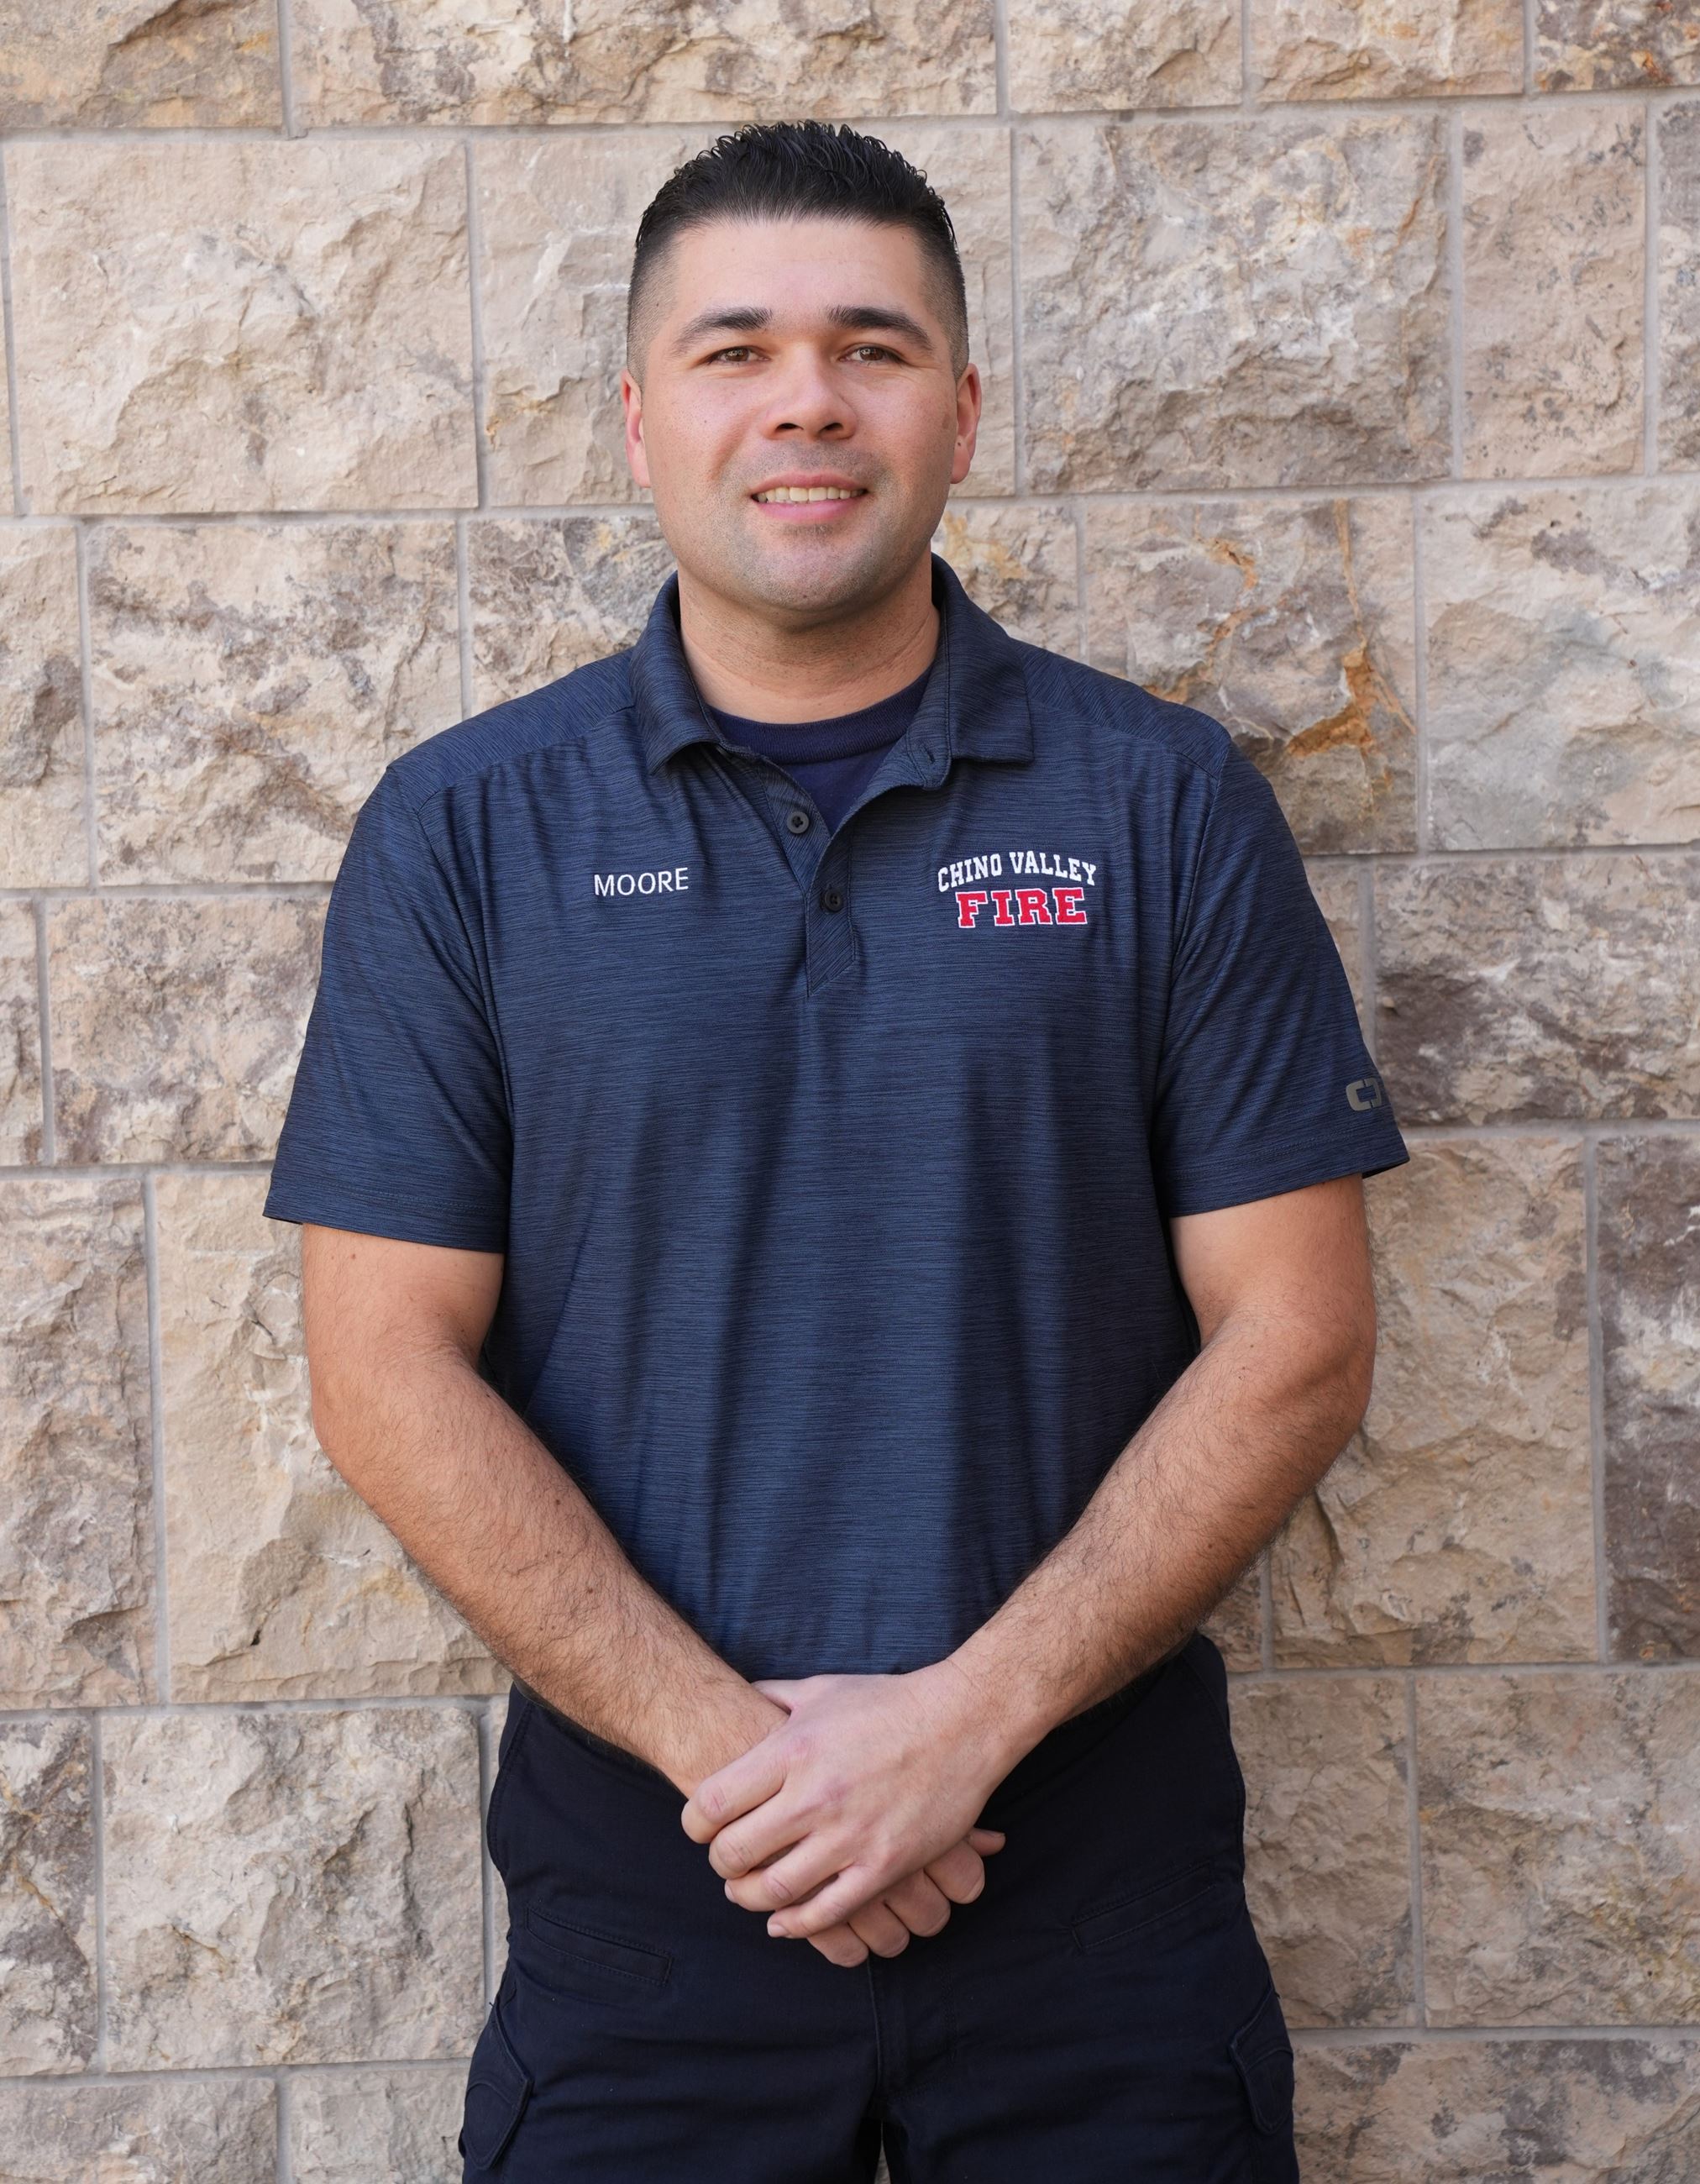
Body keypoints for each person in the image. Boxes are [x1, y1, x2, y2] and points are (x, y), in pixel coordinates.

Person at [263, 119, 1409, 2182]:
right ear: (639, 419)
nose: (806, 395)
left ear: (959, 414)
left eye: (872, 347)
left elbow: (1299, 1336)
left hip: (1090, 1902)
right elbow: (383, 1367)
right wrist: (763, 1770)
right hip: (656, 1904)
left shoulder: (1160, 805)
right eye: (734, 350)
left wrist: (960, 1727)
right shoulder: (466, 832)